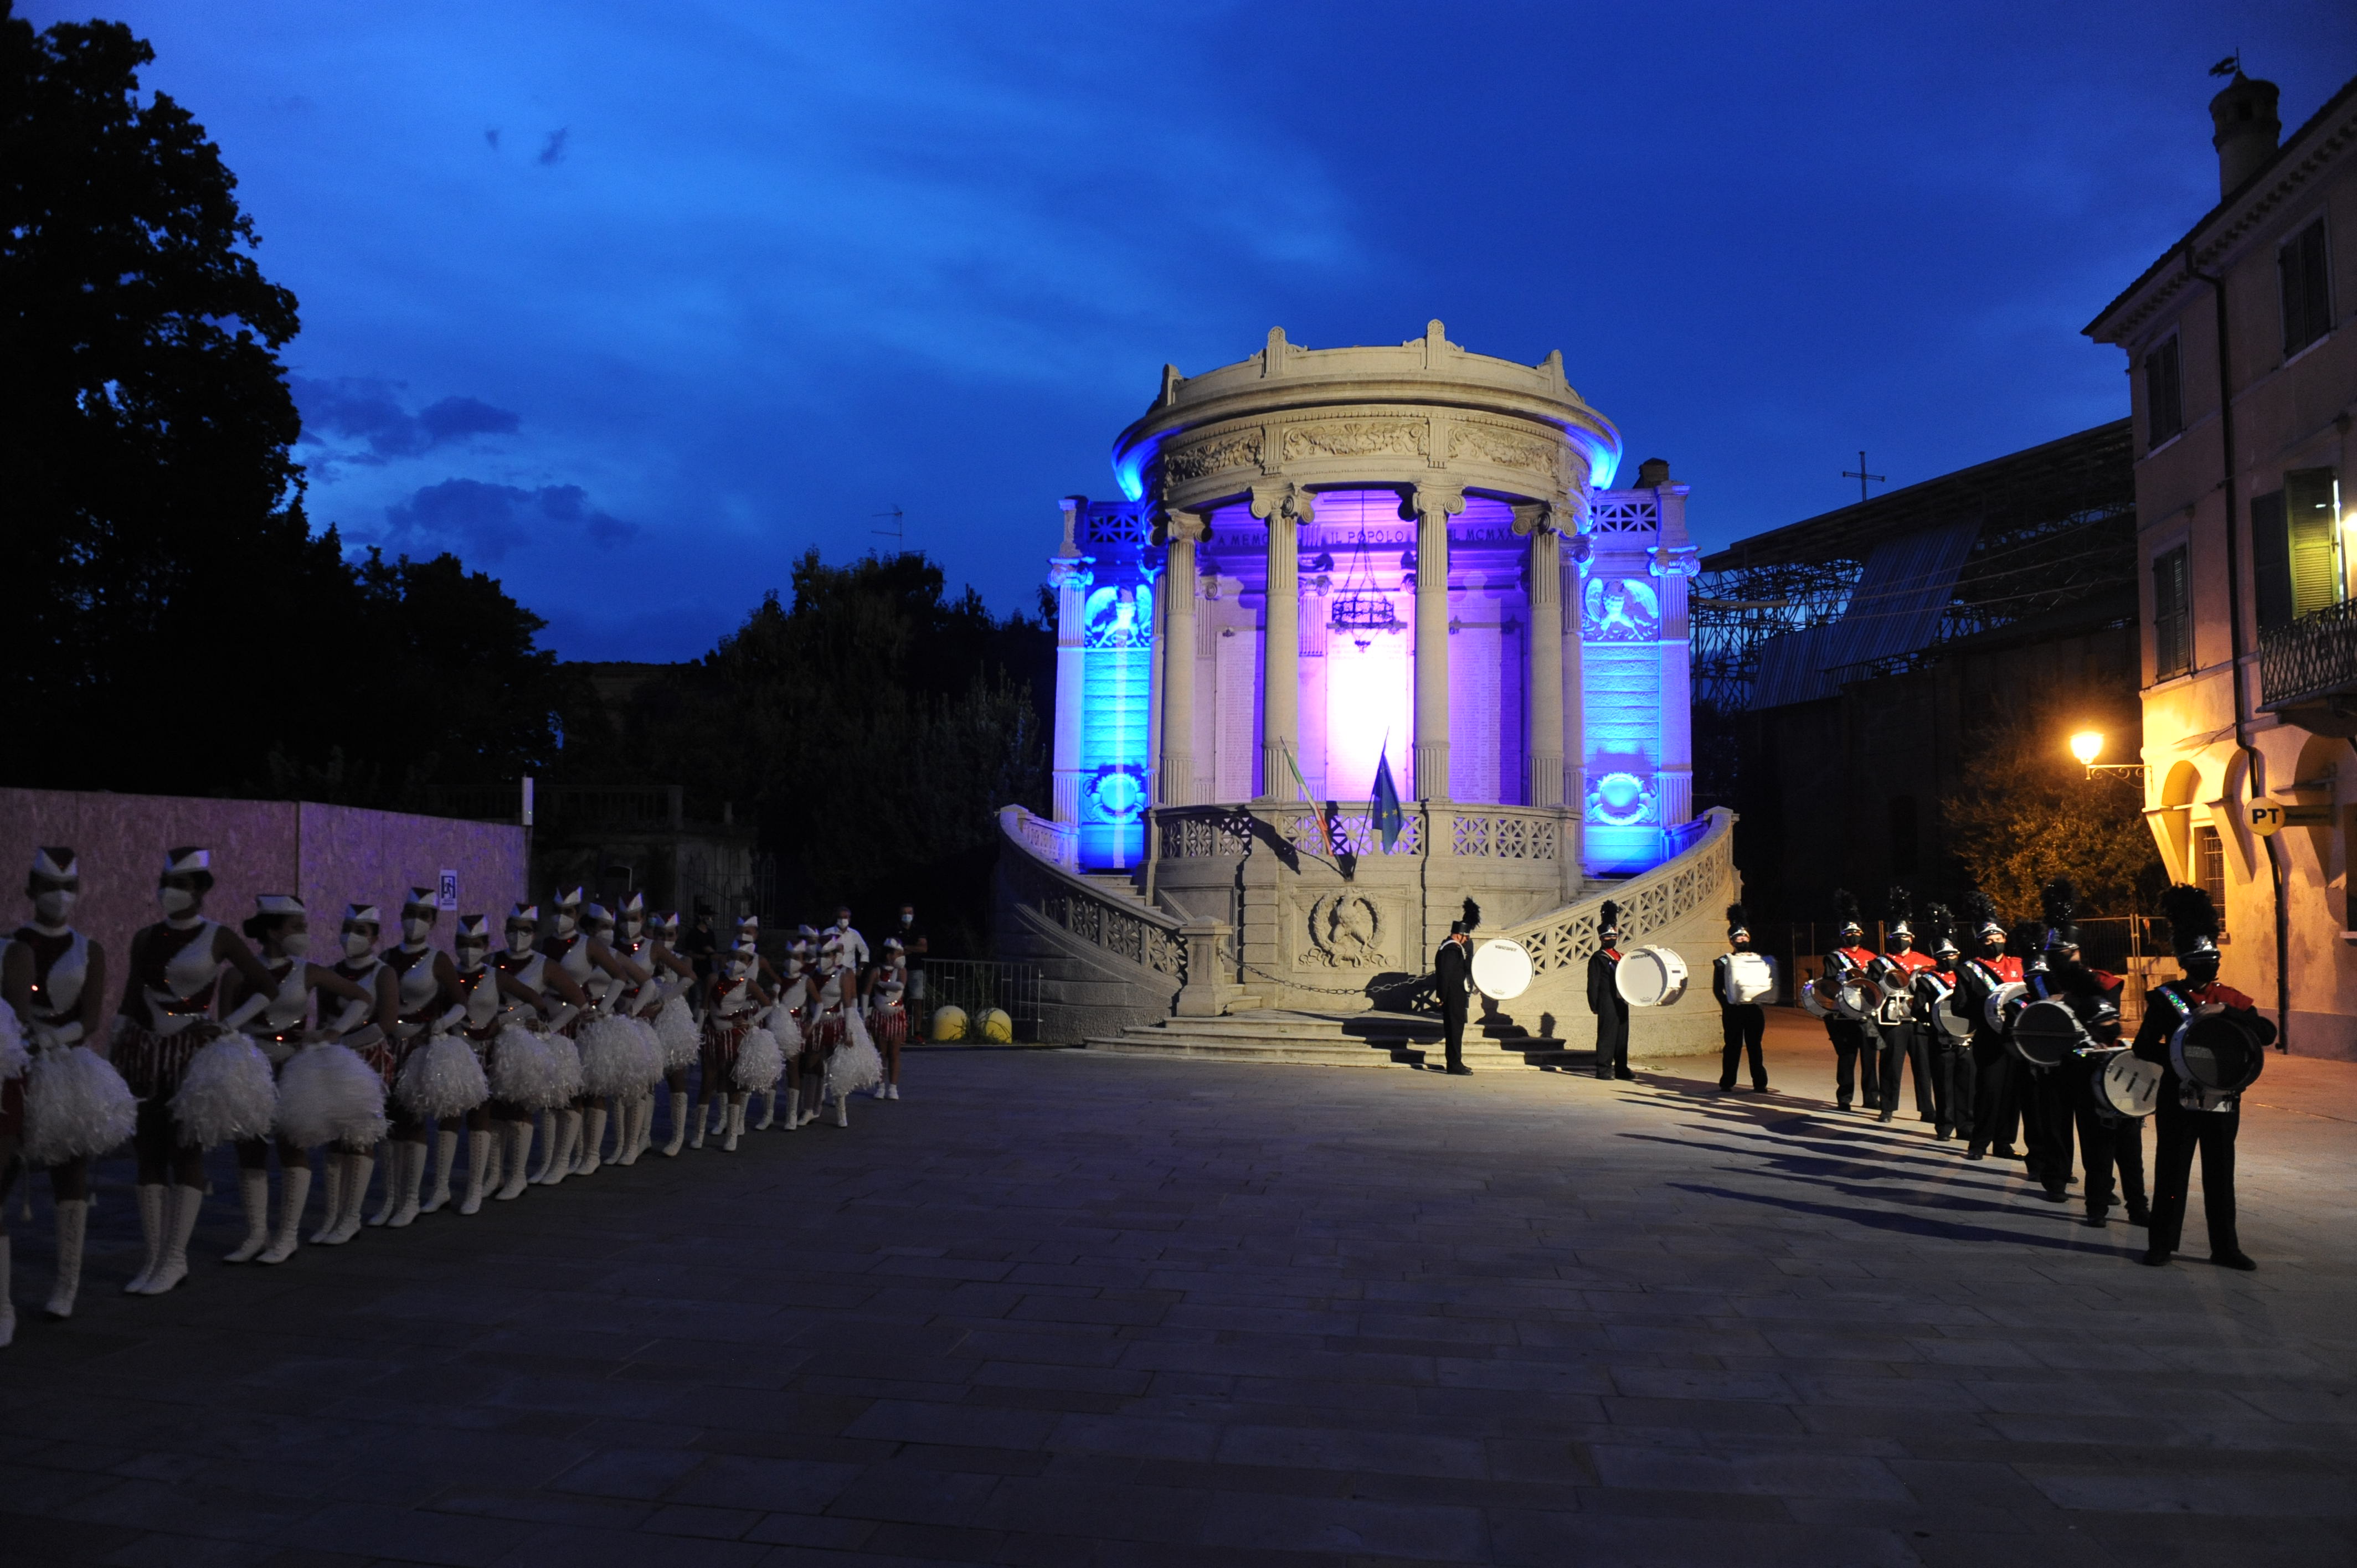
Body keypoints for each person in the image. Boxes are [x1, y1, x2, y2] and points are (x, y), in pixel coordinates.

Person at [111, 847, 281, 1294]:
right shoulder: (145, 937)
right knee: (148, 1153)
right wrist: (114, 1049)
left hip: (192, 1054)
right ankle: (152, 1258)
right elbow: (131, 996)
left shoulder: (218, 936)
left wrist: (227, 1027)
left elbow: (266, 986)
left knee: (186, 1150)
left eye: (182, 883)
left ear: (202, 890)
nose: (170, 891)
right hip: (144, 1052)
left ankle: (175, 1258)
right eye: (166, 881)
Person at [1, 847, 131, 1328]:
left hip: (68, 1061)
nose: (60, 897)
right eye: (50, 887)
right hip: (17, 1062)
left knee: (69, 1169)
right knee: (8, 1165)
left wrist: (58, 1038)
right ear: (31, 890)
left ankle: (67, 1283)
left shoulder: (89, 947)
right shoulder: (12, 943)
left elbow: (92, 1016)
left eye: (68, 888)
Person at [216, 895, 374, 1263]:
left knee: (293, 1146)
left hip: (294, 1065)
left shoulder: (308, 971)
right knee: (250, 1148)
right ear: (273, 930)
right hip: (251, 1064)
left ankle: (286, 1236)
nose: (304, 933)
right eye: (296, 927)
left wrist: (333, 1032)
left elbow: (362, 997)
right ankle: (256, 1233)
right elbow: (227, 1024)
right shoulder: (238, 973)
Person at [2135, 884, 2268, 1269]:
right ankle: (2162, 1244)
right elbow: (2144, 1046)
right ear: (2186, 961)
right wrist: (2184, 1061)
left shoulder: (2233, 998)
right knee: (2173, 1174)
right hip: (2180, 1096)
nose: (2211, 963)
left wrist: (2234, 1016)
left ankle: (2225, 1247)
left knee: (2220, 1175)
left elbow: (2266, 1035)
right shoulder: (2166, 998)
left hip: (2223, 1098)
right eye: (2202, 957)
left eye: (2214, 956)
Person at [1953, 892, 2022, 1161]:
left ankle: (2005, 1143)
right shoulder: (1969, 970)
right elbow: (1960, 1006)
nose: (1993, 943)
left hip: (2017, 1040)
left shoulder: (2019, 965)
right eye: (1987, 940)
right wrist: (1986, 1010)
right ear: (1980, 943)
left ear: (2005, 938)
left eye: (1997, 938)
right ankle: (1979, 1144)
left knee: (2012, 1093)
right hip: (1989, 1038)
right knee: (1989, 1091)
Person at [1873, 888, 1938, 1126]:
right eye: (1896, 937)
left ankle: (1927, 1109)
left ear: (1912, 938)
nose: (1901, 940)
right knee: (1891, 1064)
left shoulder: (1926, 962)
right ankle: (1888, 1107)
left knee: (1924, 1066)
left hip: (1920, 1018)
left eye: (1905, 936)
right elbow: (1872, 990)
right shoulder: (1880, 963)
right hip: (1894, 1019)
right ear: (1891, 938)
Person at [1914, 905, 1970, 1140]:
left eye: (1952, 955)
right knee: (1944, 1085)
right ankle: (1945, 1127)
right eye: (1943, 957)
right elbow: (1917, 1009)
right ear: (1936, 959)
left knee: (1967, 1085)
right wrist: (1937, 1023)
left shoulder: (1968, 975)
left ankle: (1967, 1127)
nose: (1948, 959)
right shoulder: (1928, 980)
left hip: (1968, 1038)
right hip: (1942, 1040)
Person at [1821, 890, 1879, 1112]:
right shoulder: (1835, 957)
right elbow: (1828, 983)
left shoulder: (1872, 958)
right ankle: (1844, 1097)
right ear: (1843, 935)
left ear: (1861, 934)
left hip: (1866, 1012)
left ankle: (1872, 1097)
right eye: (1848, 932)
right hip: (1844, 1012)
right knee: (1846, 1056)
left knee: (1870, 1056)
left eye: (1855, 932)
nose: (1852, 935)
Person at [1713, 903, 1769, 1092]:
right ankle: (1727, 1081)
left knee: (1755, 1047)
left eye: (1744, 936)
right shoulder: (1723, 961)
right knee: (1732, 1046)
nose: (1742, 939)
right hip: (1733, 1010)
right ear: (1732, 941)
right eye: (1738, 937)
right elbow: (1717, 988)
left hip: (1754, 1009)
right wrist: (1726, 1005)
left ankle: (1760, 1082)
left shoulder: (1758, 958)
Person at [1587, 900, 1631, 1080]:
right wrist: (1594, 1004)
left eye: (1613, 936)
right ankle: (1603, 1069)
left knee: (1622, 1036)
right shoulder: (1598, 957)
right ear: (1601, 938)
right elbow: (1593, 983)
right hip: (1607, 1001)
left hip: (1622, 999)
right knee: (1607, 1036)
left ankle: (1621, 1068)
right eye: (1607, 937)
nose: (1611, 939)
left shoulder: (1622, 956)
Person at [1434, 920, 1474, 1076]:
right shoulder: (1451, 949)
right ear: (1459, 935)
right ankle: (1454, 1064)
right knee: (1454, 1031)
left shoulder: (1452, 948)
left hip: (1456, 996)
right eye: (1466, 937)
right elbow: (1445, 975)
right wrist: (1442, 996)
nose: (1467, 940)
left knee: (1455, 1030)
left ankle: (1455, 1062)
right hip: (1453, 996)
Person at [895, 905, 929, 1041]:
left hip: (916, 968)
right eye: (904, 913)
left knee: (918, 1000)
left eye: (909, 913)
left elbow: (924, 948)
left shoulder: (918, 929)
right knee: (898, 999)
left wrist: (907, 948)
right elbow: (896, 950)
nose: (907, 915)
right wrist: (914, 948)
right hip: (900, 968)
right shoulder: (895, 929)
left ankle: (918, 1032)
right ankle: (900, 1030)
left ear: (914, 915)